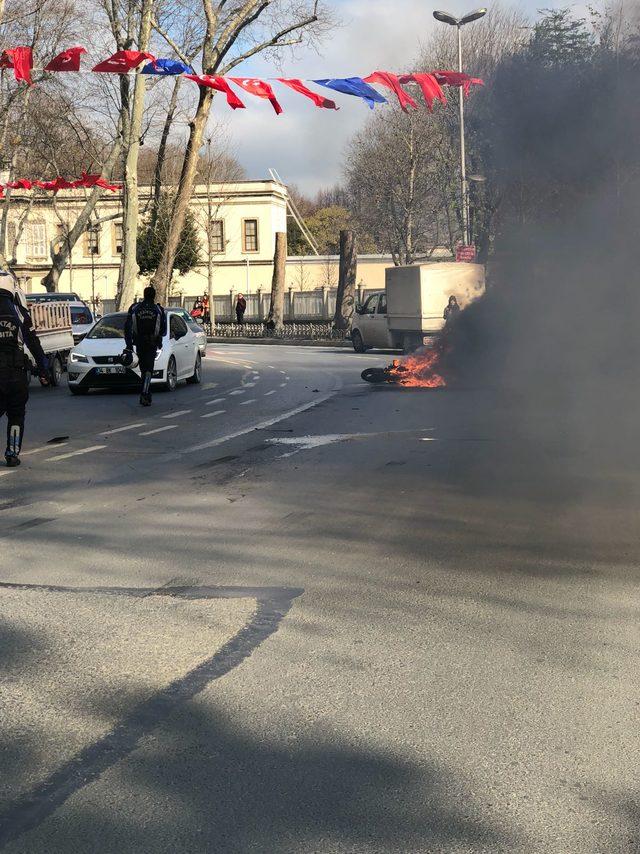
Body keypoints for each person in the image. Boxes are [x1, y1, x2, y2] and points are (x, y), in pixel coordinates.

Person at [0, 271, 50, 467]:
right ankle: (12, 453)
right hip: (16, 374)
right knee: (16, 414)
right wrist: (44, 369)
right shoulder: (19, 312)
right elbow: (34, 343)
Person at [124, 286, 166, 407]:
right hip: (152, 343)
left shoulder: (135, 308)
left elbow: (128, 327)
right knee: (149, 369)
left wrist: (129, 344)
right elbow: (162, 329)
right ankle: (145, 392)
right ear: (153, 296)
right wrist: (159, 341)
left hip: (139, 342)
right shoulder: (158, 309)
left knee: (144, 368)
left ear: (144, 295)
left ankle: (145, 392)